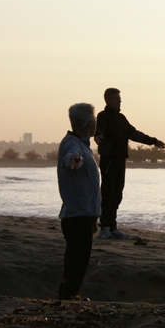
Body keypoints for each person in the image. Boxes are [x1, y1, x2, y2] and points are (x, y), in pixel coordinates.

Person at [95, 88, 165, 240]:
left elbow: (134, 134)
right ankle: (104, 228)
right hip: (109, 159)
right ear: (108, 100)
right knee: (107, 192)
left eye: (120, 99)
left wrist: (153, 141)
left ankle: (113, 227)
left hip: (121, 159)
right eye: (116, 99)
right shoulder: (103, 116)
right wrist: (99, 137)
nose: (119, 101)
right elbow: (99, 131)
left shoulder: (121, 118)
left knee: (117, 194)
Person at [57, 103, 100, 300]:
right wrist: (73, 160)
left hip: (83, 216)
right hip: (78, 218)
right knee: (76, 268)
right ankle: (68, 301)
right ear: (89, 123)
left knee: (75, 266)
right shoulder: (72, 143)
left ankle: (66, 301)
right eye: (95, 120)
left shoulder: (82, 144)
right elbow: (72, 156)